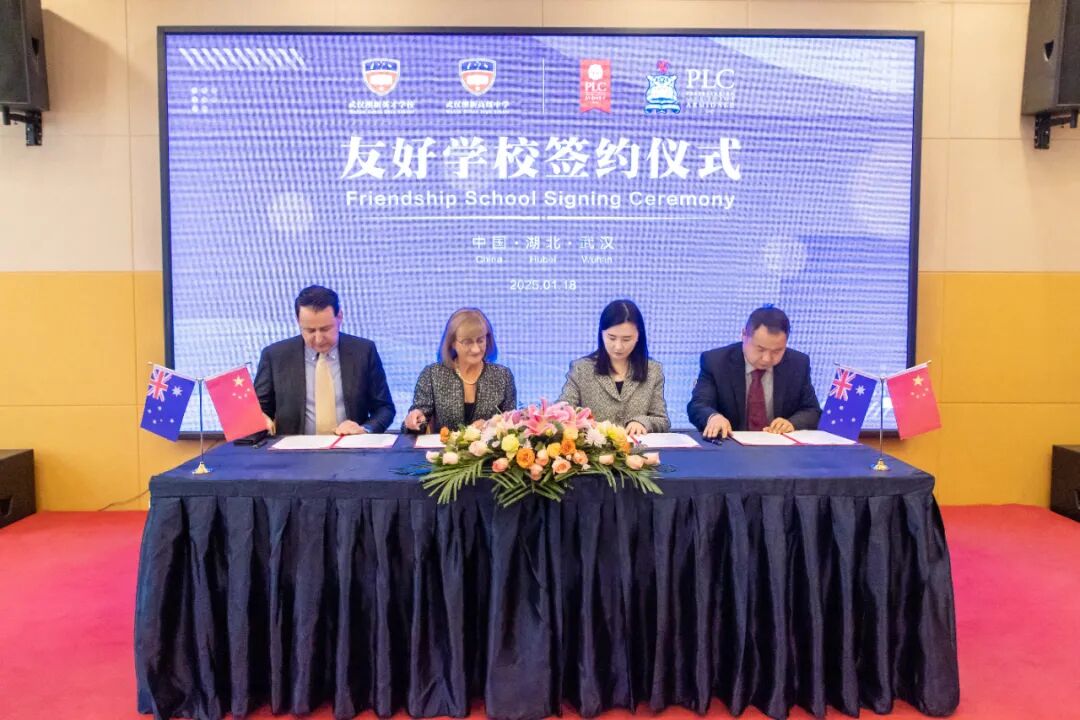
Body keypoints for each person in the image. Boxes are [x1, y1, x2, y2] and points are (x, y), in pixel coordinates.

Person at [254, 285, 395, 435]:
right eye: (310, 330)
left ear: (339, 317)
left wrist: (365, 429)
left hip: (349, 445)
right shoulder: (275, 356)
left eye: (325, 329)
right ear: (298, 321)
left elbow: (384, 408)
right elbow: (259, 409)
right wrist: (260, 418)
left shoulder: (364, 351)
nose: (319, 339)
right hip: (293, 447)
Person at [687, 305, 821, 439]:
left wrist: (792, 423)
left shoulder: (798, 363)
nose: (767, 358)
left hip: (778, 445)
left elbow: (812, 411)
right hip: (731, 445)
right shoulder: (716, 362)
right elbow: (698, 405)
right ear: (744, 335)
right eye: (760, 349)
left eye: (777, 351)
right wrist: (713, 417)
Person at [558, 299, 669, 436]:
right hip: (595, 448)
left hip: (638, 448)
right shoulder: (581, 369)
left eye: (626, 339)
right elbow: (563, 411)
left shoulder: (653, 370)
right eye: (611, 338)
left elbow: (662, 420)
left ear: (638, 336)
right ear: (601, 334)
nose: (618, 346)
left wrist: (643, 422)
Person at [403, 308, 517, 433]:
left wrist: (490, 426)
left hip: (487, 445)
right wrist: (415, 421)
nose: (476, 349)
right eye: (467, 342)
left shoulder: (503, 376)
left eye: (480, 340)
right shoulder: (432, 374)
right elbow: (415, 427)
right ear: (452, 343)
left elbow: (512, 426)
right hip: (443, 445)